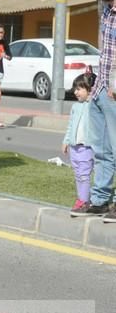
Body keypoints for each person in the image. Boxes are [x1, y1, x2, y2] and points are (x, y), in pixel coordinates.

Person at [72, 0, 116, 220]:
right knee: (101, 149)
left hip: (114, 90)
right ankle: (100, 200)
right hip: (100, 88)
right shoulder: (107, 12)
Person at [64, 74, 95, 216]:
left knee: (84, 175)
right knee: (78, 174)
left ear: (90, 90)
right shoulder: (75, 107)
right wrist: (66, 141)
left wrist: (92, 97)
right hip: (74, 147)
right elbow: (70, 126)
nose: (76, 92)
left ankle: (84, 200)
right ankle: (82, 198)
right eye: (75, 89)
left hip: (87, 147)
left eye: (80, 89)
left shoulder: (93, 106)